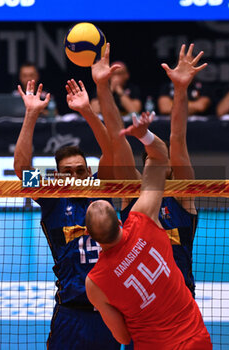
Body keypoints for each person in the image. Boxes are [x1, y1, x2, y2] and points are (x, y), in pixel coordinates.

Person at [85, 116, 212, 349]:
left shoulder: (95, 281)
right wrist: (145, 135)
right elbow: (157, 153)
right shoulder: (143, 218)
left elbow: (123, 338)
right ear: (120, 221)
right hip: (188, 331)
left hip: (157, 327)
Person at [91, 43, 205, 300]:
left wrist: (180, 89)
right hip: (140, 306)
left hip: (180, 303)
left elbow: (178, 139)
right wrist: (102, 87)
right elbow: (117, 141)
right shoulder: (133, 194)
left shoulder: (182, 198)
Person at [13, 79, 121, 350]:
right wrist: (31, 114)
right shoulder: (52, 198)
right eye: (68, 172)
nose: (75, 177)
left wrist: (87, 111)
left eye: (81, 170)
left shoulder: (102, 188)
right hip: (70, 313)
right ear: (57, 176)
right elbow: (21, 167)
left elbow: (110, 150)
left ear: (89, 172)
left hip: (110, 311)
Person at [157, 52, 211, 116]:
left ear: (196, 68)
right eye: (184, 67)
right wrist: (191, 106)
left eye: (191, 66)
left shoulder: (203, 87)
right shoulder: (167, 87)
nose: (186, 70)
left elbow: (201, 107)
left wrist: (174, 104)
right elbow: (165, 108)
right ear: (177, 67)